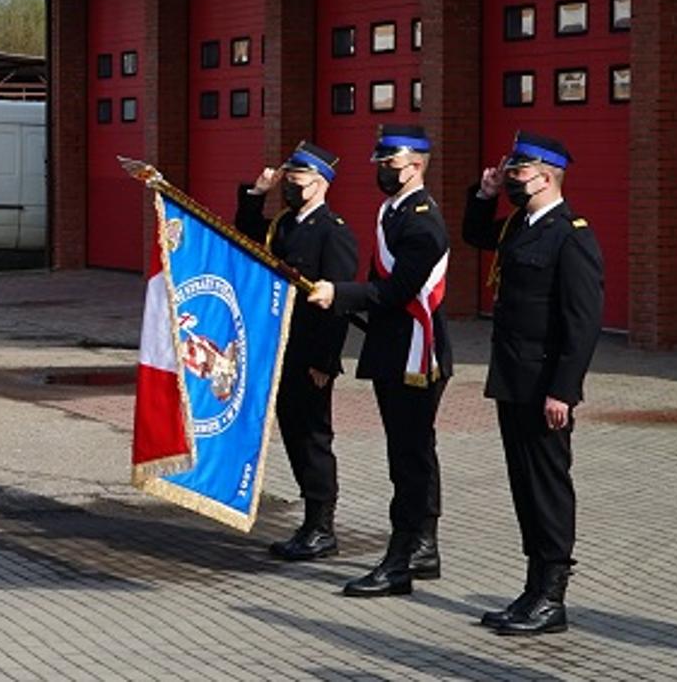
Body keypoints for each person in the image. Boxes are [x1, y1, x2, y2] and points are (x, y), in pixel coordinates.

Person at [462, 131, 604, 636]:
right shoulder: (520, 226)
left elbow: (582, 323)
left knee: (547, 487)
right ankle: (532, 587)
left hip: (545, 385)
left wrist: (564, 389)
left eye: (518, 173)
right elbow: (474, 234)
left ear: (545, 177)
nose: (510, 180)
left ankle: (552, 596)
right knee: (524, 485)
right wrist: (484, 193)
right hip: (513, 379)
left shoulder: (571, 235)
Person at [307, 124, 452, 597]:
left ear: (415, 166)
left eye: (390, 164)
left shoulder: (422, 221)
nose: (383, 171)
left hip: (416, 352)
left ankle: (402, 557)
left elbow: (396, 291)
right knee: (409, 452)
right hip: (393, 349)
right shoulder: (394, 211)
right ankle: (420, 547)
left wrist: (340, 294)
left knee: (410, 458)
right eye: (381, 164)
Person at [235, 141, 360, 561]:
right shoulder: (285, 224)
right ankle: (309, 523)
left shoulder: (333, 231)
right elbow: (246, 236)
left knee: (312, 438)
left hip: (310, 355)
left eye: (298, 176)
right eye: (287, 176)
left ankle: (322, 526)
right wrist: (257, 193)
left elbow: (338, 303)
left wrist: (326, 361)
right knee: (293, 432)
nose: (290, 183)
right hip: (280, 348)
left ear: (321, 182)